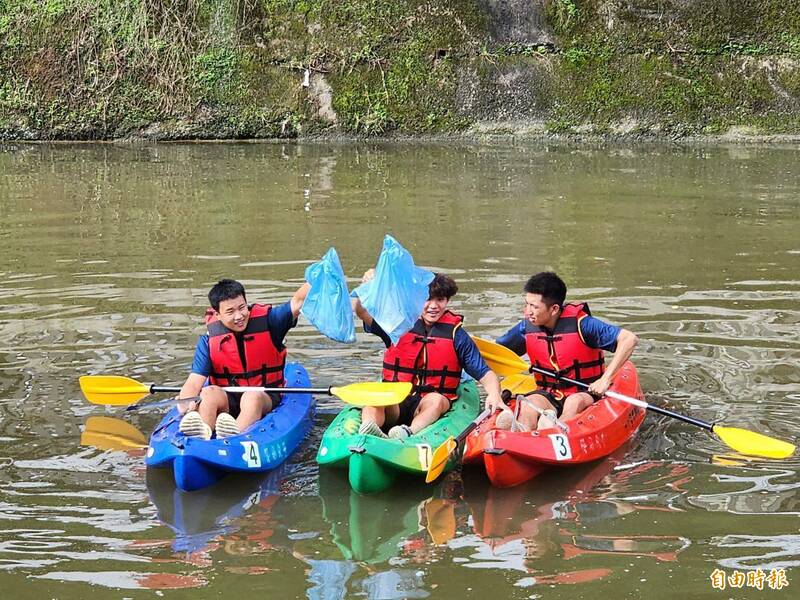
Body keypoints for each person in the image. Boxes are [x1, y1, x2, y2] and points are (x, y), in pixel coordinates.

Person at [353, 271, 504, 439]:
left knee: (436, 401)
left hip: (429, 402)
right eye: (427, 299)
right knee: (378, 395)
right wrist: (365, 288)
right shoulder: (396, 325)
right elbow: (361, 311)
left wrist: (494, 393)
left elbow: (484, 372)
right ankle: (367, 429)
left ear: (447, 301)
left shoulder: (457, 336)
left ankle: (406, 432)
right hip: (397, 401)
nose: (433, 306)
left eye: (440, 300)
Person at [495, 271, 638, 431]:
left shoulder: (583, 325)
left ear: (554, 309)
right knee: (528, 405)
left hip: (584, 392)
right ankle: (522, 435)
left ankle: (553, 430)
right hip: (548, 392)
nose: (527, 311)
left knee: (573, 402)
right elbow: (498, 352)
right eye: (526, 304)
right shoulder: (526, 328)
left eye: (534, 307)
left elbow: (629, 339)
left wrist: (605, 379)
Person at [177, 278, 310, 440]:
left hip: (264, 396)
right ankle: (201, 433)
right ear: (217, 315)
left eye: (242, 308)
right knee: (208, 393)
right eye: (230, 311)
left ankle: (231, 438)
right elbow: (194, 381)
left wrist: (318, 278)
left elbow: (298, 301)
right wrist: (186, 403)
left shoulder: (271, 321)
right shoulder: (209, 341)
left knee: (251, 396)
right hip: (228, 398)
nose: (239, 316)